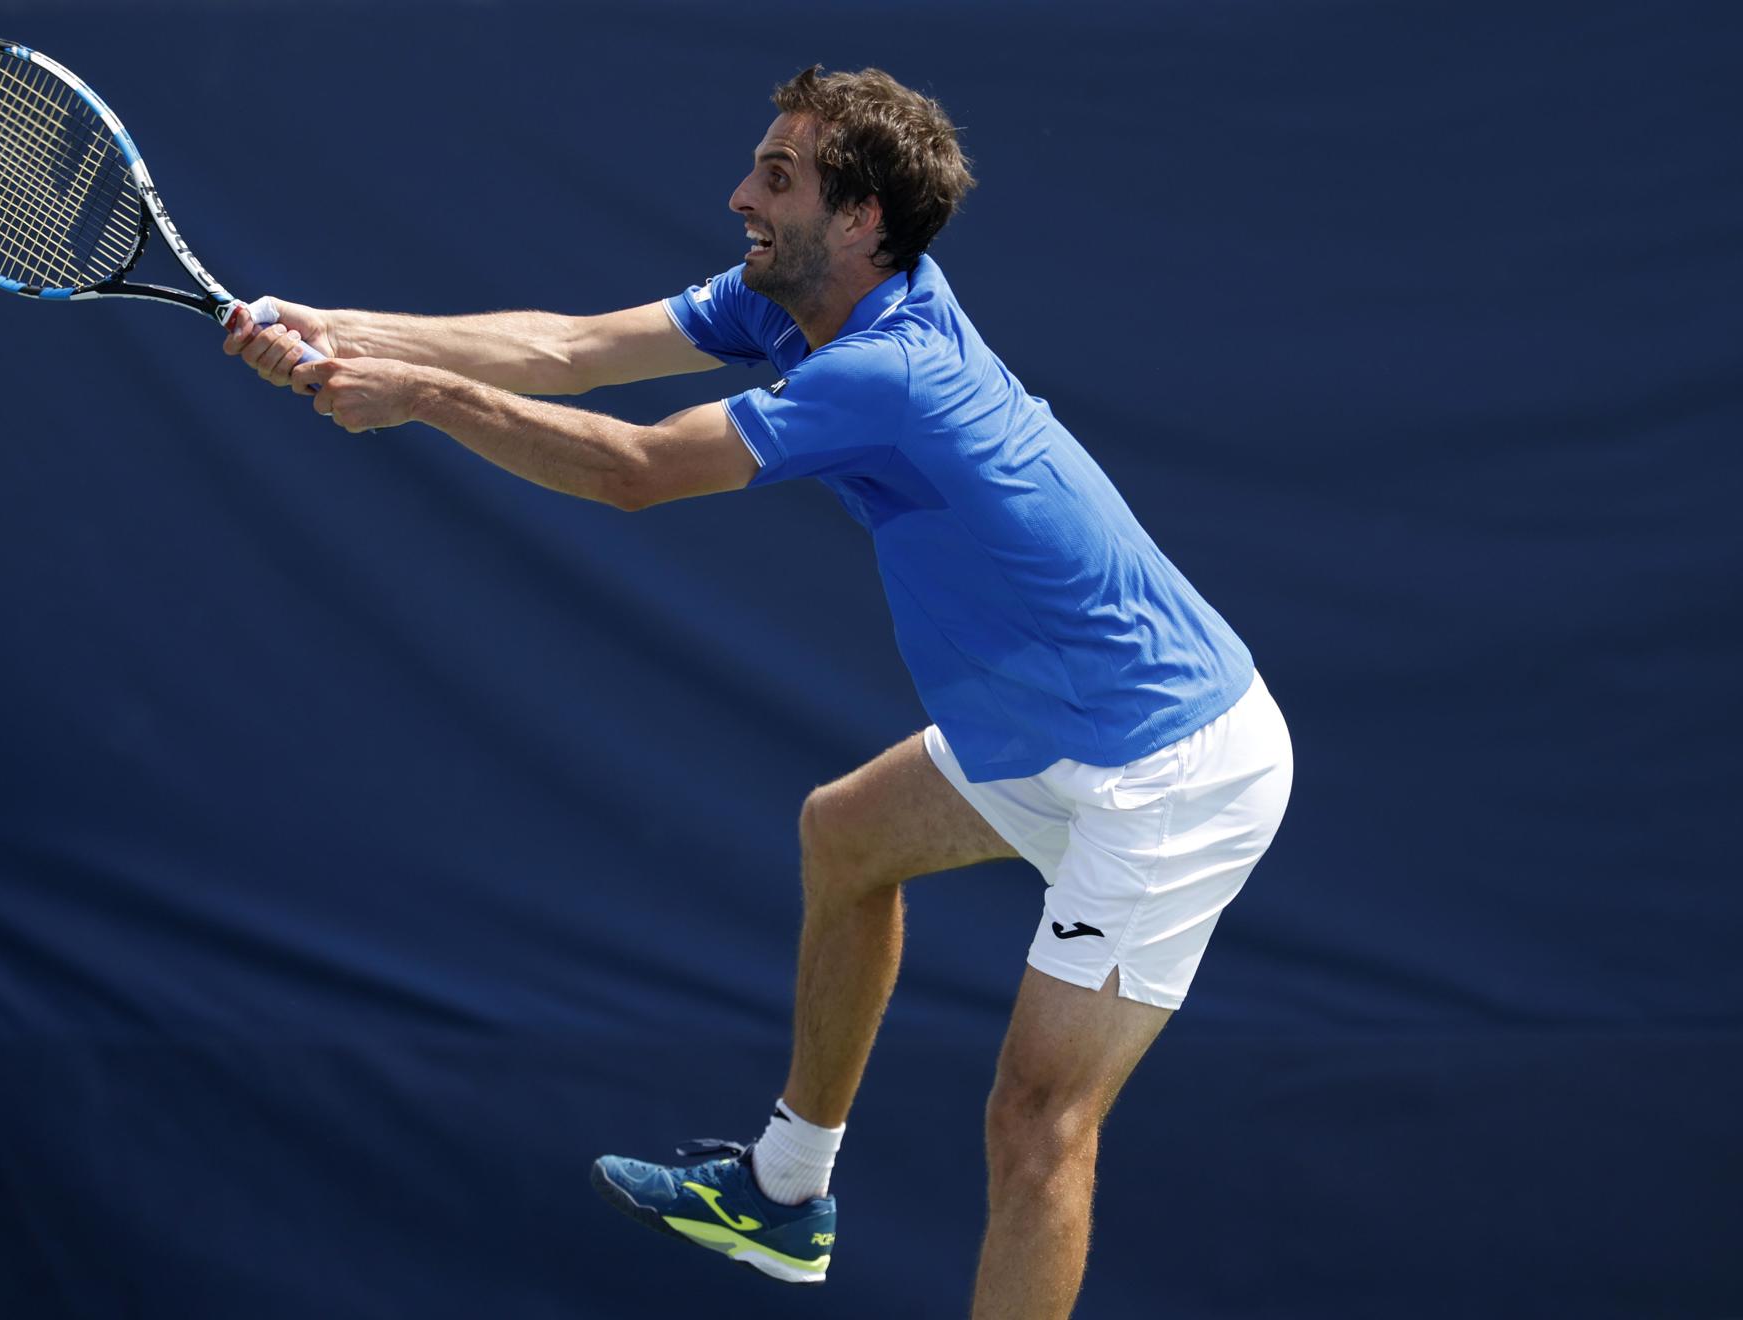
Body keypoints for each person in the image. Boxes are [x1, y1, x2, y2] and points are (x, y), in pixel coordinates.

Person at [223, 65, 1292, 1320]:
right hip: (1043, 730)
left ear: (862, 220)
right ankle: (786, 1196)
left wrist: (426, 399)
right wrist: (336, 327)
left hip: (1166, 768)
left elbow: (633, 471)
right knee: (844, 834)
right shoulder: (797, 303)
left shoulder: (888, 371)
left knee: (1038, 1123)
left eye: (778, 177)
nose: (740, 194)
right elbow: (566, 350)